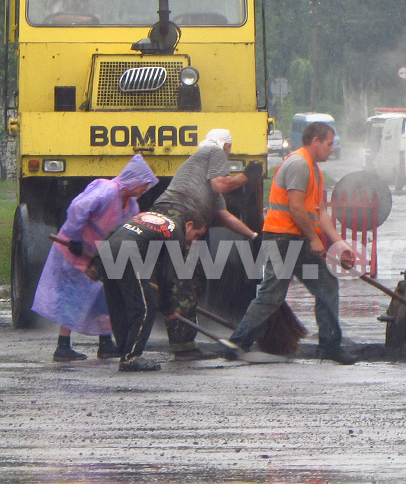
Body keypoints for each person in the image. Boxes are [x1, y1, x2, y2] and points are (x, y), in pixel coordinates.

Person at [227, 121, 357, 364]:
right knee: (271, 295)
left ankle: (329, 346)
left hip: (298, 241)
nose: (332, 149)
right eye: (329, 144)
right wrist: (314, 239)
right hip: (283, 240)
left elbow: (319, 212)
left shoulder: (315, 170)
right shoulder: (298, 164)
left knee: (327, 286)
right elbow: (296, 208)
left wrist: (339, 243)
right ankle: (238, 343)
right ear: (315, 141)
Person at [31, 155, 158, 362]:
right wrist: (74, 238)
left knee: (104, 297)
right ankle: (63, 346)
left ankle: (105, 343)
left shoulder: (131, 206)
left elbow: (124, 233)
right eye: (143, 185)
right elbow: (78, 208)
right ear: (134, 179)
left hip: (99, 254)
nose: (144, 190)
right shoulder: (106, 190)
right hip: (76, 249)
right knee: (72, 296)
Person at [150, 128, 263, 360]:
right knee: (185, 280)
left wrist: (253, 236)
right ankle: (183, 347)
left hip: (166, 215)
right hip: (179, 216)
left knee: (181, 279)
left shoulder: (202, 175)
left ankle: (180, 340)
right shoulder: (215, 151)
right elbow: (220, 184)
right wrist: (246, 176)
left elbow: (223, 215)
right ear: (227, 146)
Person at [97, 208, 208, 372]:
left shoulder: (151, 216)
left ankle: (125, 350)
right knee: (146, 308)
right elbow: (166, 275)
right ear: (189, 225)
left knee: (119, 305)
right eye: (197, 235)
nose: (195, 241)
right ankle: (131, 357)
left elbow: (115, 231)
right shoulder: (176, 233)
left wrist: (96, 263)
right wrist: (167, 306)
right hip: (129, 253)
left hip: (108, 249)